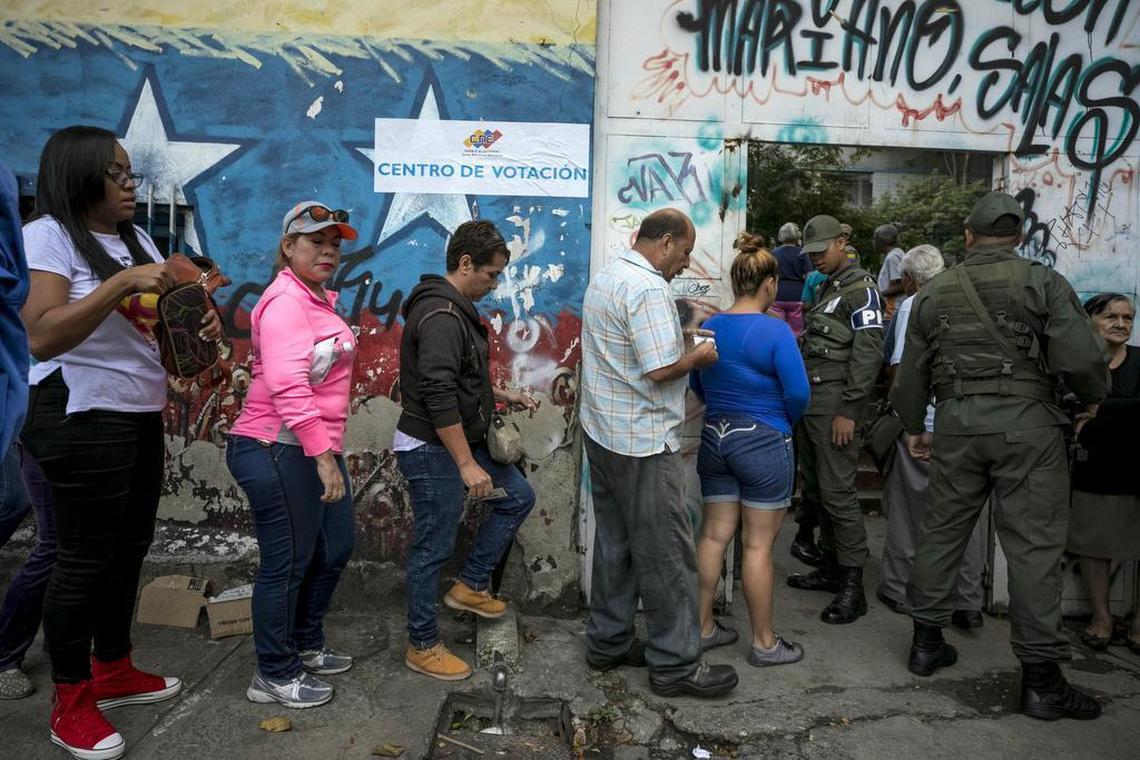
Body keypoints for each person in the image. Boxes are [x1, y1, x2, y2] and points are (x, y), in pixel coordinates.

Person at [19, 125, 221, 759]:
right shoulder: (48, 235)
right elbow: (41, 336)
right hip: (78, 409)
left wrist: (196, 324)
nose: (131, 185)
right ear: (80, 176)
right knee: (82, 557)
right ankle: (71, 700)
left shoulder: (135, 238)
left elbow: (155, 330)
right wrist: (122, 283)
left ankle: (113, 668)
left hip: (137, 408)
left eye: (131, 173)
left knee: (129, 548)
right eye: (118, 174)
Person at [891, 190, 1107, 721]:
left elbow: (910, 376)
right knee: (1033, 548)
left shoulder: (934, 293)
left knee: (942, 531)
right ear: (1019, 235)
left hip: (958, 426)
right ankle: (1041, 682)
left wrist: (916, 427)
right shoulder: (1042, 281)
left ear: (968, 236)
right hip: (1028, 429)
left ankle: (925, 646)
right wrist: (1093, 396)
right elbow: (1081, 361)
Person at [580, 208, 738, 698]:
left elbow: (630, 351)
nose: (686, 263)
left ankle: (607, 643)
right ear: (665, 242)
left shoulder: (609, 275)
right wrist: (699, 356)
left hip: (604, 434)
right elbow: (658, 371)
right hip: (643, 444)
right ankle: (674, 664)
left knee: (616, 545)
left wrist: (678, 341)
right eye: (685, 252)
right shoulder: (648, 288)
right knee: (667, 554)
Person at [227, 201, 360, 709]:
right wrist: (323, 456)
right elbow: (287, 384)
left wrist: (325, 451)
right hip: (276, 447)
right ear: (288, 247)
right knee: (287, 563)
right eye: (315, 241)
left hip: (311, 446)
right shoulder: (285, 301)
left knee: (334, 548)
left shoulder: (316, 299)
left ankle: (304, 643)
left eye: (335, 244)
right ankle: (273, 672)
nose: (328, 251)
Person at [396, 219, 537, 681]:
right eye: (491, 274)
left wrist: (502, 395)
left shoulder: (454, 310)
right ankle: (422, 645)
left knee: (518, 496)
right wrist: (465, 464)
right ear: (464, 264)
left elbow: (460, 380)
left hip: (454, 442)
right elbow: (438, 393)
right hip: (431, 448)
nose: (494, 285)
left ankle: (471, 584)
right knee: (432, 547)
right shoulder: (441, 315)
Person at [691, 237, 809, 668]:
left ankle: (701, 629)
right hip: (762, 439)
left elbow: (697, 383)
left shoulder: (711, 326)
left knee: (712, 536)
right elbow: (799, 393)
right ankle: (764, 643)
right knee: (757, 545)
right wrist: (779, 424)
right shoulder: (776, 330)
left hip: (715, 435)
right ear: (769, 284)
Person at [876, 245, 985, 629]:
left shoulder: (913, 305)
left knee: (909, 512)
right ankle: (967, 599)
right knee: (964, 514)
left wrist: (910, 422)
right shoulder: (972, 299)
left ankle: (900, 588)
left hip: (925, 424)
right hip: (968, 424)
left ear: (908, 280)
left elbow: (901, 371)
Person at [786, 215, 883, 625]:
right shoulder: (829, 285)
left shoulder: (862, 289)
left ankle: (851, 586)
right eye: (810, 253)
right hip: (813, 404)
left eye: (821, 250)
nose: (815, 259)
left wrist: (849, 411)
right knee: (818, 492)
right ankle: (829, 567)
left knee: (839, 495)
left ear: (842, 242)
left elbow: (868, 353)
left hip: (836, 408)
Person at [1066, 293, 1140, 654]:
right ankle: (1102, 619)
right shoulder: (1077, 365)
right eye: (1112, 316)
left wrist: (1102, 411)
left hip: (1138, 467)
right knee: (1094, 546)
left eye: (1128, 318)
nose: (1121, 324)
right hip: (1096, 469)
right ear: (1089, 321)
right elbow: (1066, 405)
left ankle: (1139, 623)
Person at [768, 223, 810, 336]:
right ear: (797, 235)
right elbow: (809, 275)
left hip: (778, 293)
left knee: (776, 327)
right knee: (796, 330)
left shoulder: (774, 253)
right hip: (797, 295)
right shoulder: (802, 253)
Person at [874, 224, 905, 320]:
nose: (874, 242)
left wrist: (878, 294)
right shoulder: (898, 253)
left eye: (875, 239)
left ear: (882, 240)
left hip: (892, 310)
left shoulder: (893, 257)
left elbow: (900, 285)